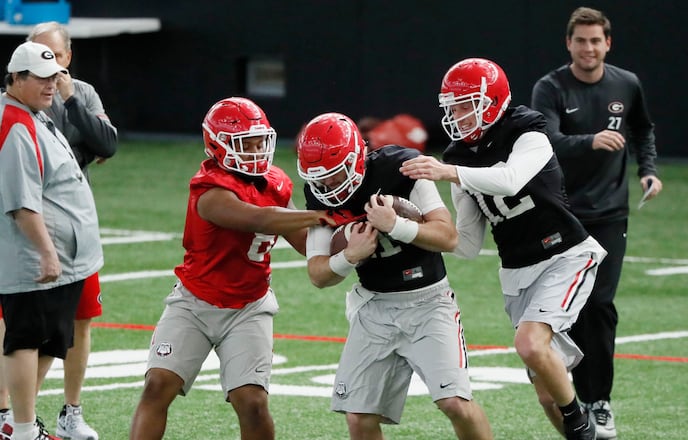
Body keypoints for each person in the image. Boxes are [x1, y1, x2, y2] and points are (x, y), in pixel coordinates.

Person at [400, 58, 606, 440]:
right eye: (453, 106)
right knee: (546, 393)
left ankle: (580, 422)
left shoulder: (528, 133)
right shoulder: (460, 158)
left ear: (492, 101)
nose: (457, 114)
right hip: (517, 272)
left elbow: (510, 181)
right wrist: (409, 224)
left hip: (565, 255)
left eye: (466, 104)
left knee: (529, 344)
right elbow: (467, 245)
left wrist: (449, 173)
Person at [128, 97, 337, 440]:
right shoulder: (209, 189)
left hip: (249, 307)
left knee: (252, 400)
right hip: (194, 302)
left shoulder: (276, 183)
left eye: (259, 141)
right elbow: (259, 217)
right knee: (157, 385)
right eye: (245, 143)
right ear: (217, 144)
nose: (256, 150)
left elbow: (305, 243)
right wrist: (318, 214)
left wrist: (352, 237)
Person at [296, 112, 493, 440]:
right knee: (358, 416)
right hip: (374, 308)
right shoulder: (317, 191)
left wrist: (396, 226)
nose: (328, 185)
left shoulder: (401, 168)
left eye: (335, 174)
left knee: (455, 403)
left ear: (358, 158)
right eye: (320, 178)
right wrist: (349, 256)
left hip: (428, 302)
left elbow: (447, 237)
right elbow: (318, 273)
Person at [531, 7, 663, 438]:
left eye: (596, 40)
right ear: (568, 44)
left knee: (600, 304)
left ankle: (598, 401)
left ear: (608, 43)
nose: (589, 48)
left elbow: (643, 128)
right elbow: (544, 142)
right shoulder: (549, 88)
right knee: (566, 310)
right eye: (581, 41)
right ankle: (563, 386)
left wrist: (648, 169)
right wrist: (590, 141)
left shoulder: (627, 83)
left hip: (609, 214)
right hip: (562, 214)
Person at [0, 21, 118, 440]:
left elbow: (105, 144)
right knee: (25, 337)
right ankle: (21, 426)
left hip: (67, 254)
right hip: (38, 256)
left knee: (52, 337)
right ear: (16, 78)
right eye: (41, 78)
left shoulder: (40, 110)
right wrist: (48, 253)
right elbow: (22, 201)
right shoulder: (16, 123)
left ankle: (22, 424)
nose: (52, 86)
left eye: (55, 77)